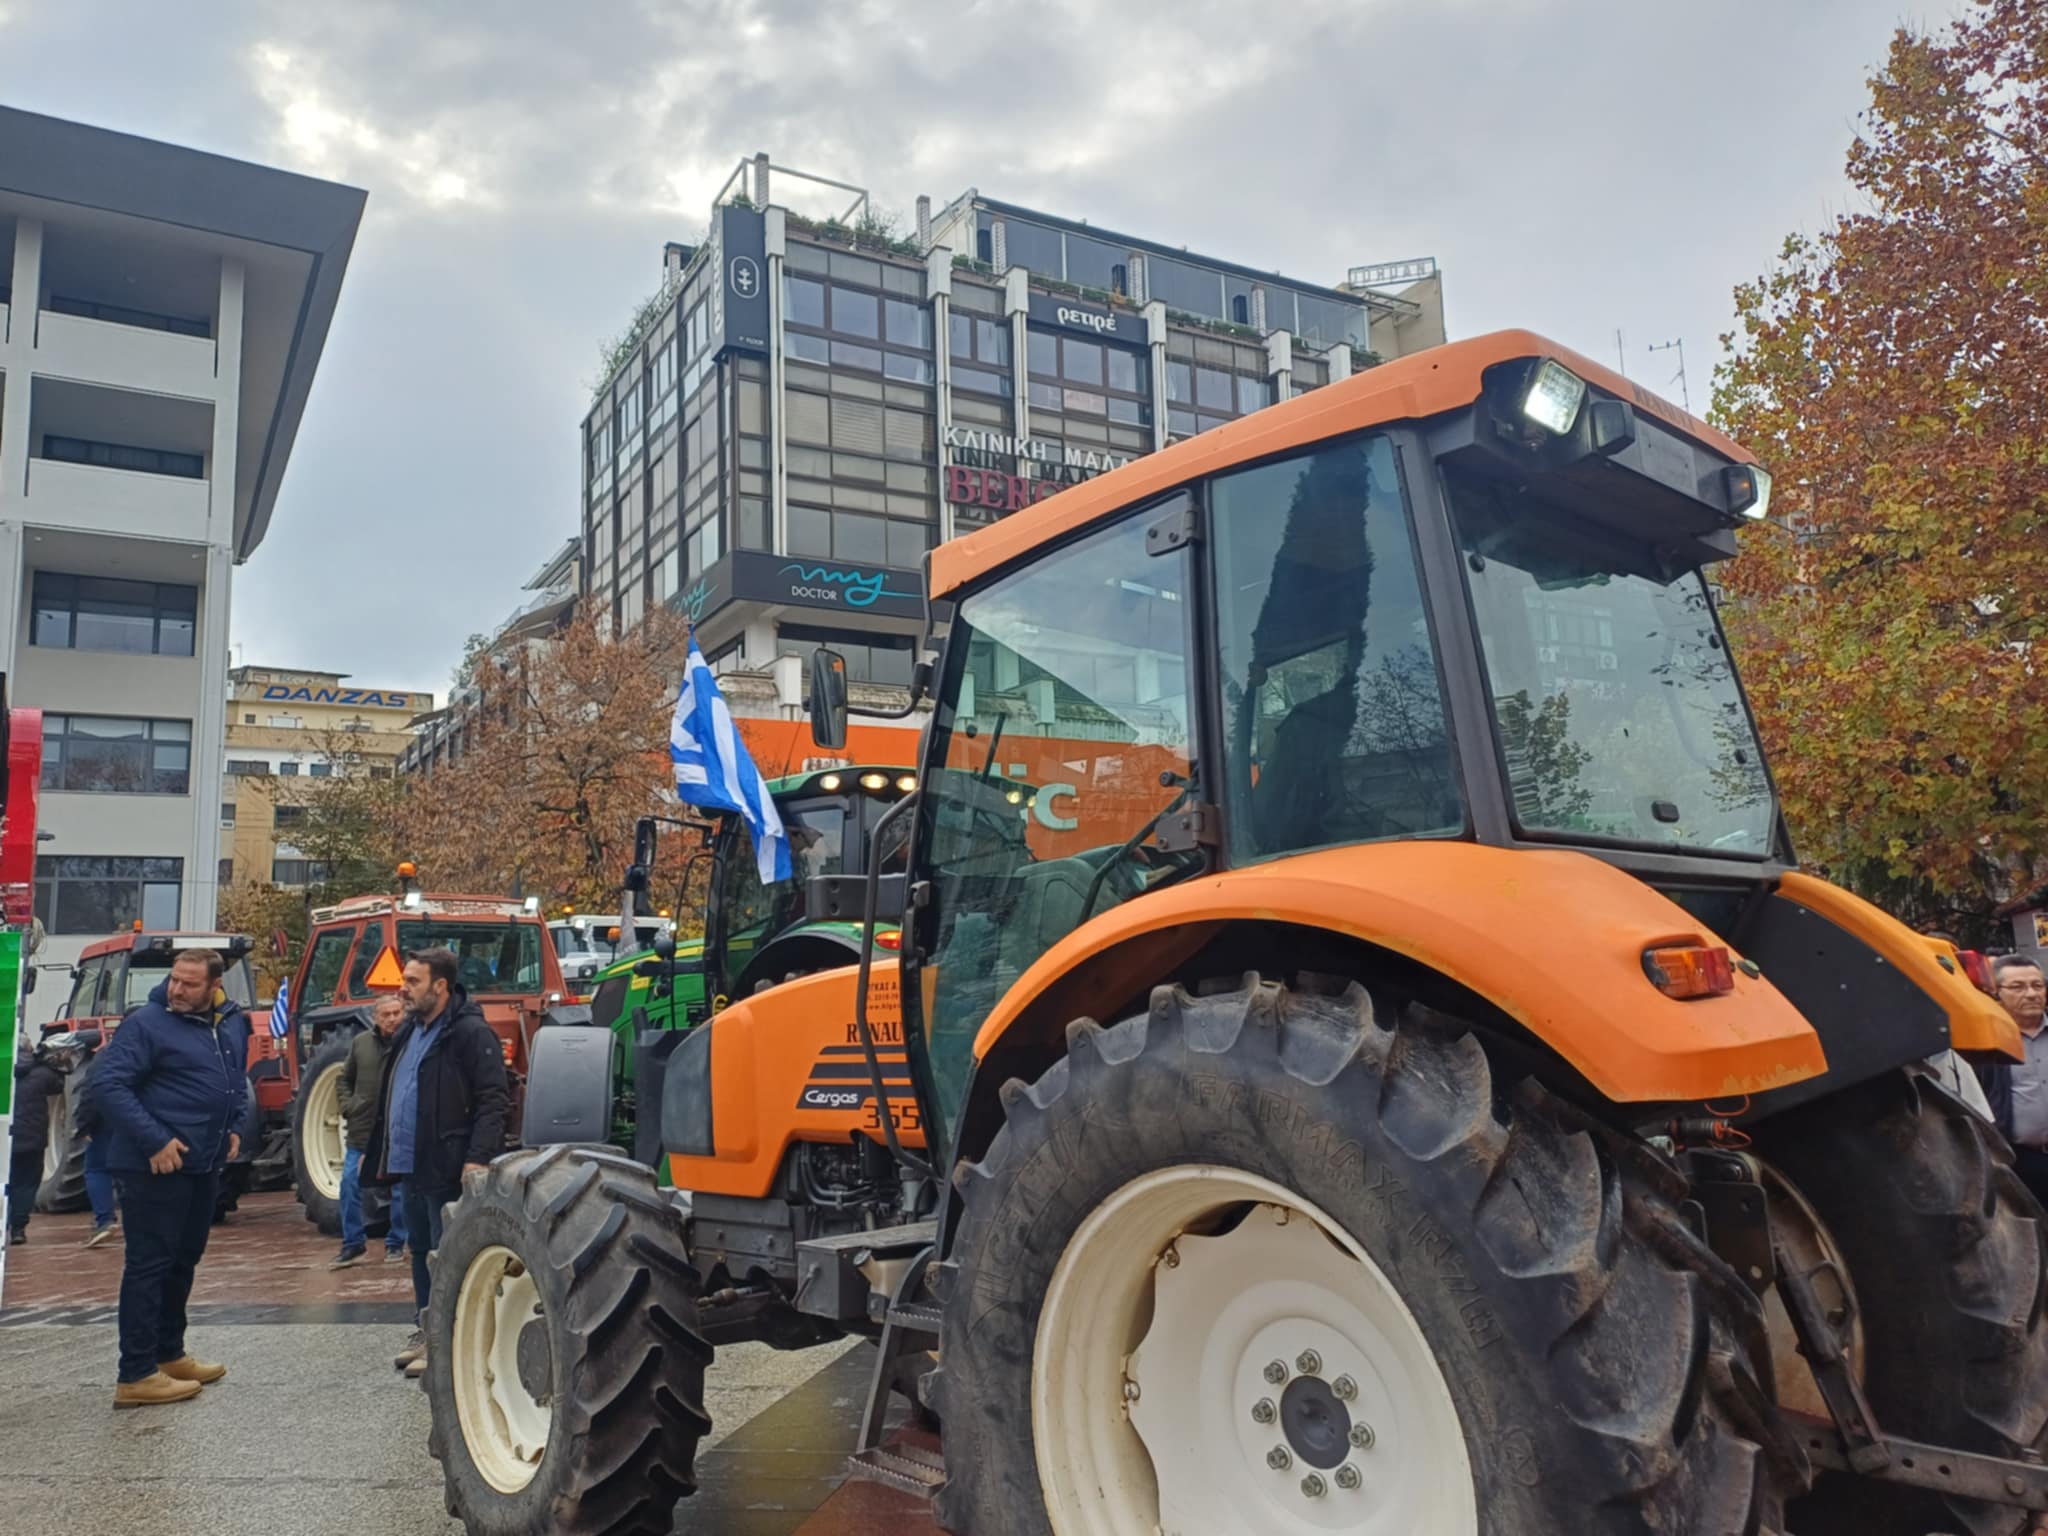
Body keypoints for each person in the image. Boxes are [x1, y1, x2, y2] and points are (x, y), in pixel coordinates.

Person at [93, 949, 250, 1408]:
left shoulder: (231, 1021)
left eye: (190, 984)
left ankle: (168, 1353)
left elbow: (233, 1080)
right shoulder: (147, 1023)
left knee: (184, 1259)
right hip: (153, 1166)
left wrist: (236, 1125)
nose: (178, 990)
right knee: (149, 1264)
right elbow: (108, 1085)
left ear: (215, 985)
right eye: (174, 980)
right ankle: (136, 1373)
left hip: (203, 1163)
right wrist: (155, 1141)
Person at [369, 947, 508, 1379]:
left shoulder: (468, 1033)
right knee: (420, 1250)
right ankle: (426, 1329)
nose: (403, 989)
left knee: (448, 1253)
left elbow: (493, 1099)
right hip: (411, 1164)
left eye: (413, 982)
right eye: (404, 980)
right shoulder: (412, 1030)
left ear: (441, 986)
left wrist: (478, 1157)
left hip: (449, 1164)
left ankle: (449, 1340)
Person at [332, 995, 410, 1269]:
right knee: (350, 1185)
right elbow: (344, 1078)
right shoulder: (361, 1043)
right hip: (363, 1130)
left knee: (400, 1190)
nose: (392, 1019)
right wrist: (349, 1106)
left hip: (398, 1131)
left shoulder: (411, 1042)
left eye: (396, 1012)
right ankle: (353, 1244)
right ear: (375, 1017)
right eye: (386, 1014)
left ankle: (396, 1244)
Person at [1977, 954, 2048, 1205]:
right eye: (2017, 987)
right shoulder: (1986, 1042)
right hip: (2020, 1162)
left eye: (2037, 985)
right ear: (1996, 993)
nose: (2030, 994)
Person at [7, 1043, 66, 1244]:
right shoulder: (42, 1073)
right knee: (26, 1183)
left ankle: (4, 1221)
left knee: (6, 1181)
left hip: (4, 1137)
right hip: (32, 1138)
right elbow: (58, 1086)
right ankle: (18, 1229)